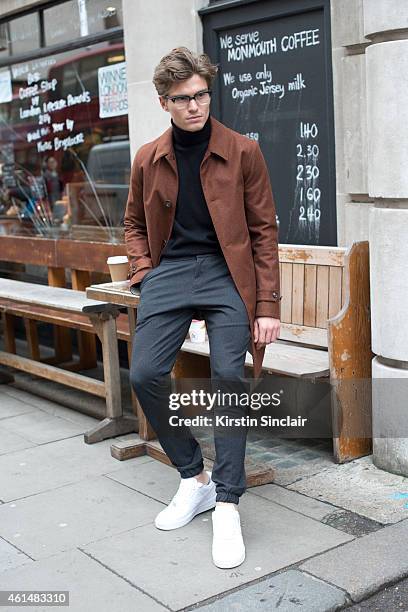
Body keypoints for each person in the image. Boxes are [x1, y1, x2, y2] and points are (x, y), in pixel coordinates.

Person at [124, 47, 281, 569]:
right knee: (144, 373)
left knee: (228, 380)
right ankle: (194, 478)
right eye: (182, 99)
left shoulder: (243, 151)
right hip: (169, 273)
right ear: (164, 102)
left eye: (201, 95)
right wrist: (145, 275)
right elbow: (132, 225)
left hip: (227, 274)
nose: (195, 106)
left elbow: (263, 231)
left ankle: (229, 501)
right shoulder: (148, 157)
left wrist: (267, 303)